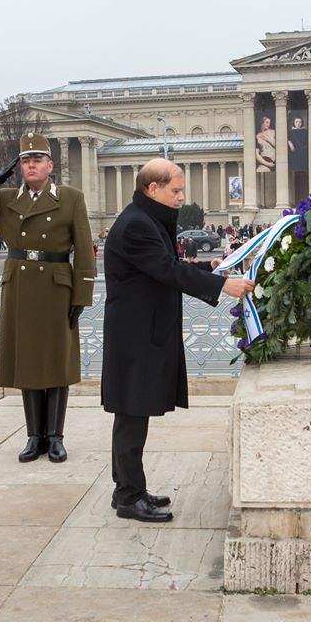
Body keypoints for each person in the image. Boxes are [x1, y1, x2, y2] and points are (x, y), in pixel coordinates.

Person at [102, 158, 254, 523]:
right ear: (152, 188)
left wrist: (208, 269)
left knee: (133, 412)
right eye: (176, 190)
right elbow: (166, 269)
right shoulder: (137, 224)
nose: (182, 197)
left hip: (141, 329)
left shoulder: (145, 218)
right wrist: (221, 286)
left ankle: (128, 489)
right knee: (132, 413)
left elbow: (164, 265)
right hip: (135, 333)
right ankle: (128, 496)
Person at [0, 132, 95, 464]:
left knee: (57, 362)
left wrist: (82, 294)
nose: (30, 165)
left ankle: (56, 437)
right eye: (25, 161)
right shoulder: (6, 199)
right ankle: (35, 436)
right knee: (29, 361)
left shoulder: (70, 198)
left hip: (56, 286)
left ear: (50, 165)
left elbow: (84, 249)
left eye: (37, 160)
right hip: (20, 286)